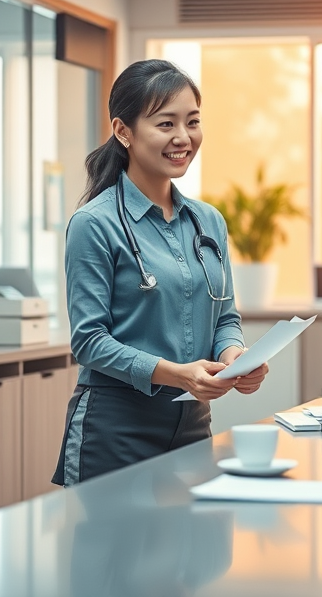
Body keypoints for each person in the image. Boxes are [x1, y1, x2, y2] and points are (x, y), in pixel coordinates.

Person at [53, 59, 268, 486]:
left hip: (191, 422)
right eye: (165, 123)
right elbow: (89, 342)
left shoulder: (209, 221)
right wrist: (177, 373)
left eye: (192, 122)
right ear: (123, 131)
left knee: (195, 550)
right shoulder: (95, 224)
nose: (183, 138)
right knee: (114, 552)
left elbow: (225, 317)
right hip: (115, 427)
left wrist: (234, 358)